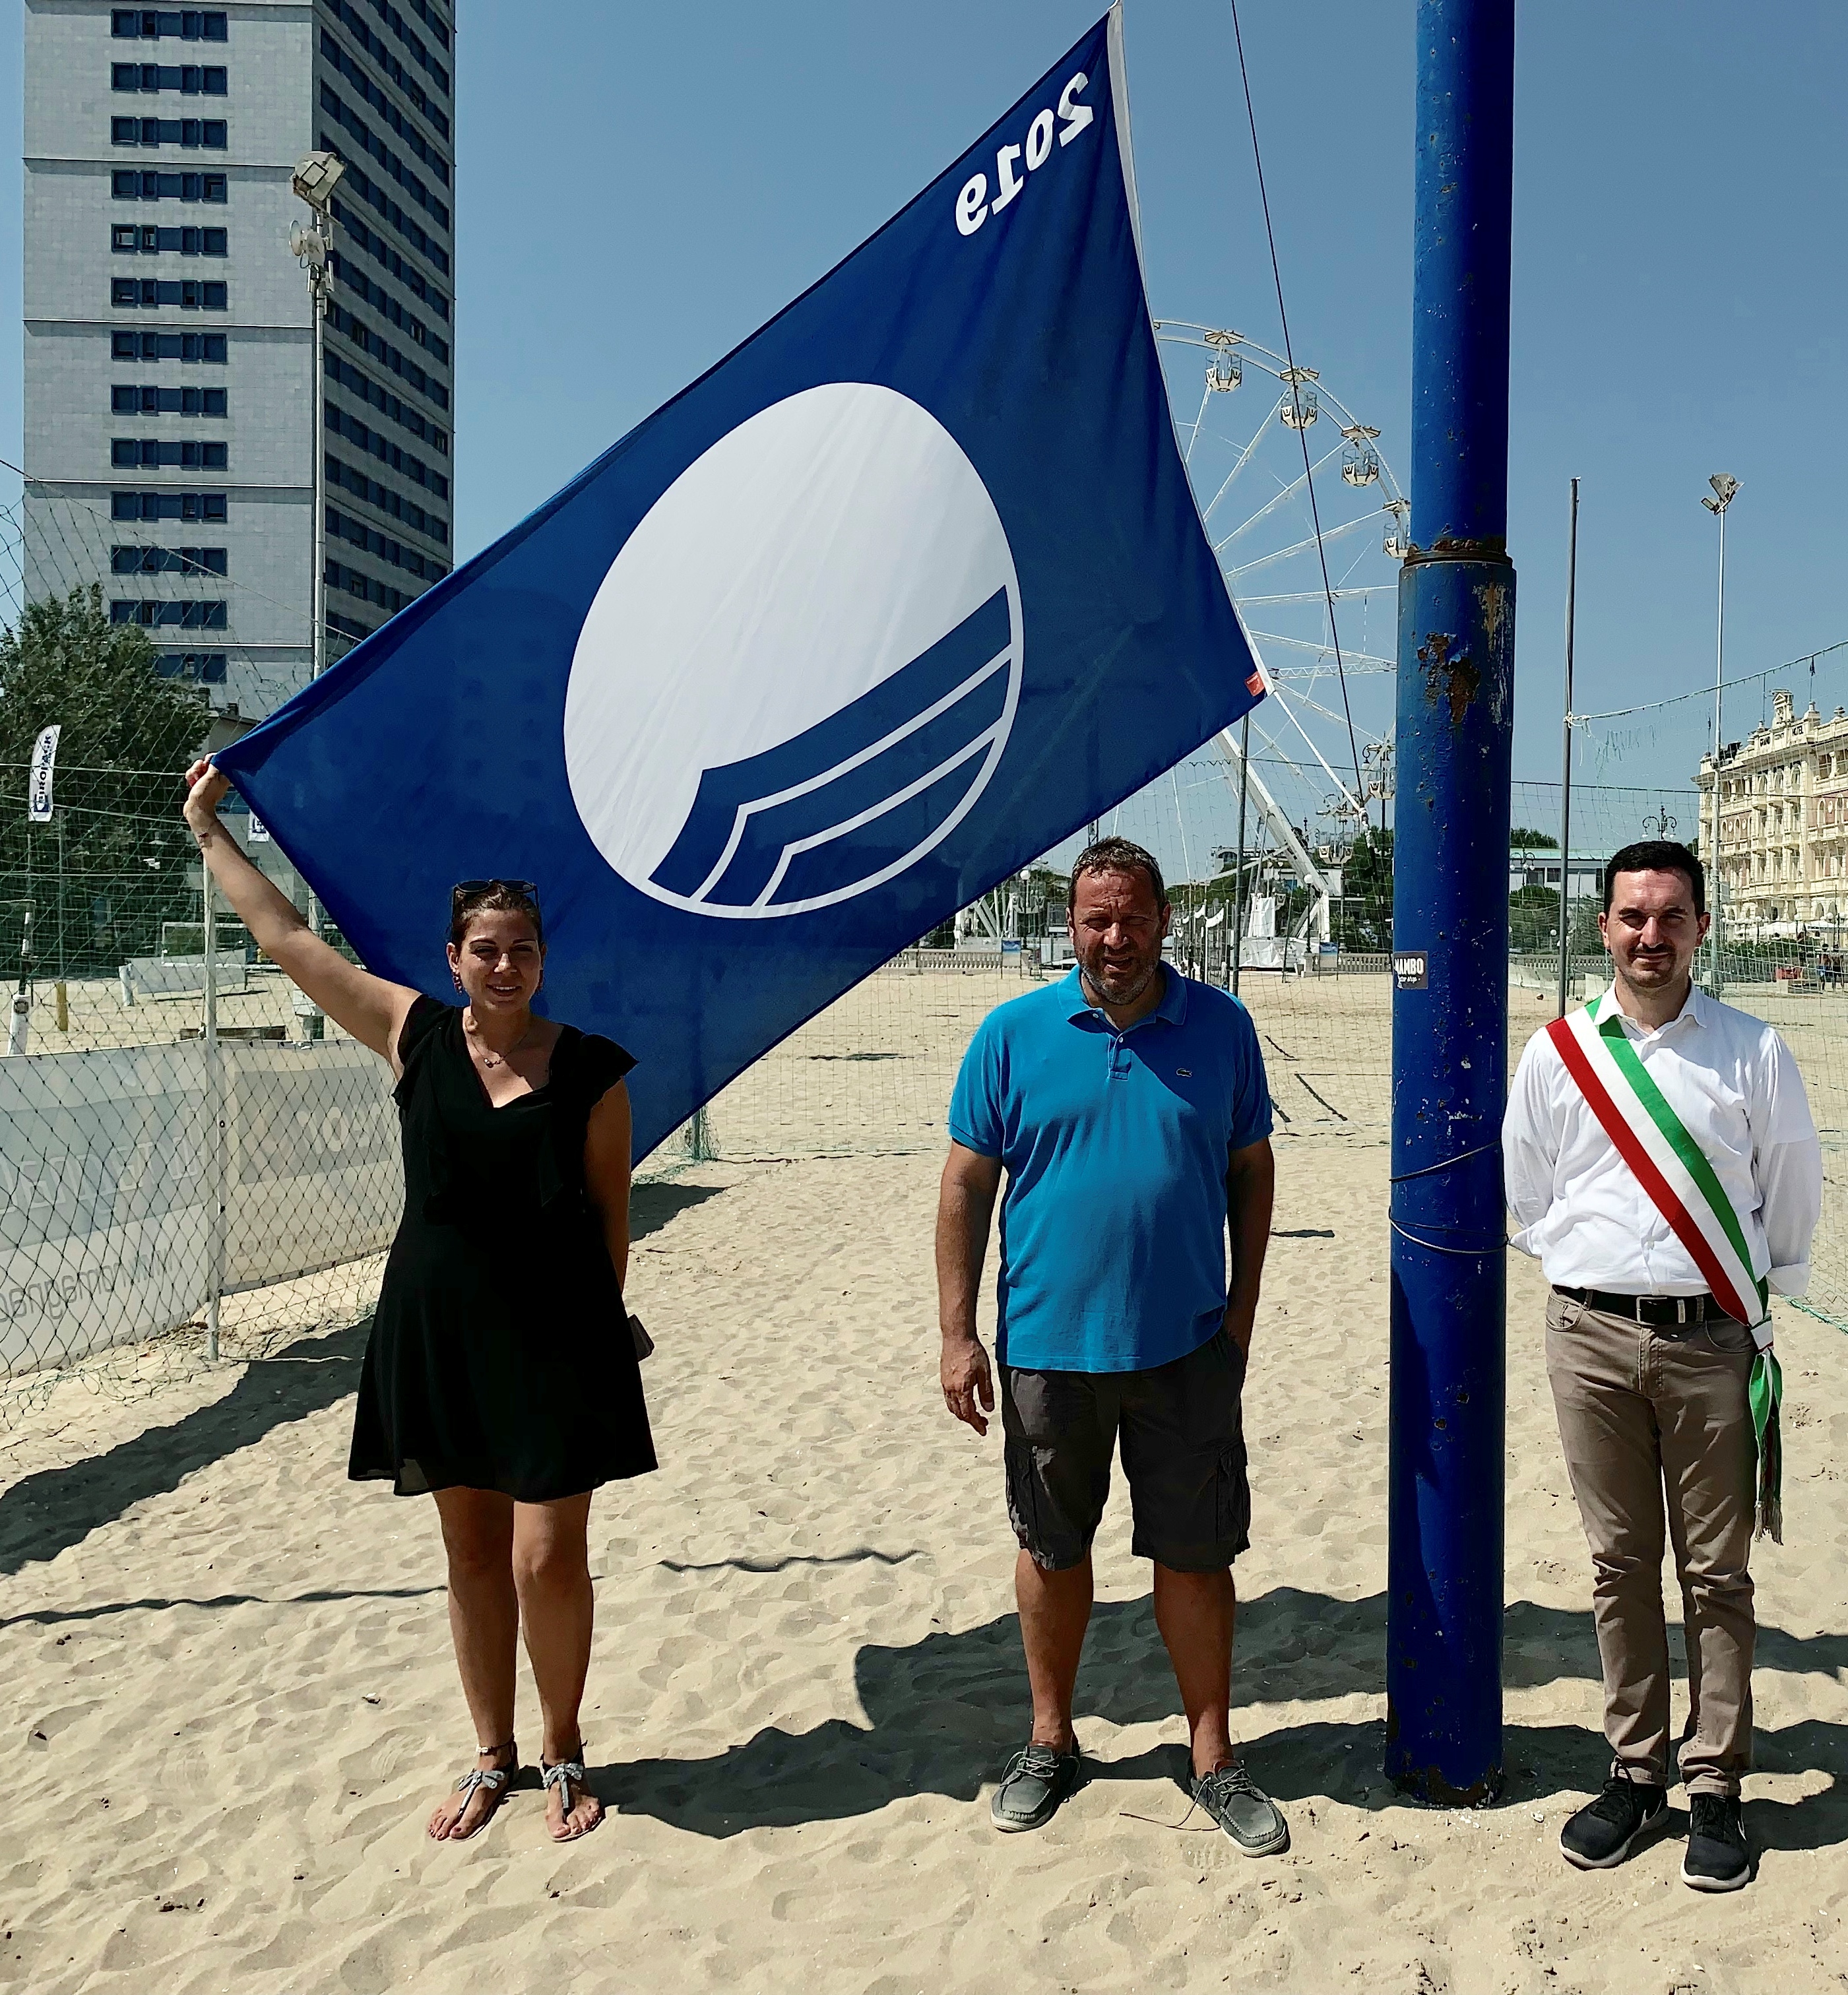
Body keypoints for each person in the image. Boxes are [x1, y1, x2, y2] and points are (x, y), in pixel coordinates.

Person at [182, 760, 657, 1844]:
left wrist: (601, 1326)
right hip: (438, 1334)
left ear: (543, 959)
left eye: (522, 948)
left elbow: (608, 1220)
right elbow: (288, 947)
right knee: (474, 1555)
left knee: (549, 1558)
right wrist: (212, 832)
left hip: (558, 1341)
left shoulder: (590, 1070)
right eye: (483, 949)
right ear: (452, 961)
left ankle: (564, 1746)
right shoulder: (413, 1036)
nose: (504, 964)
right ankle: (492, 1755)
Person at [935, 836, 1286, 1853]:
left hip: (1184, 1349)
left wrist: (1242, 1313)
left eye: (1133, 917)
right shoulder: (1012, 1034)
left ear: (1164, 919)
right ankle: (1050, 1740)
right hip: (1047, 1346)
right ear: (1071, 924)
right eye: (1097, 919)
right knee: (1051, 1550)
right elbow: (965, 1185)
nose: (1116, 937)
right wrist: (958, 1335)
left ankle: (1211, 1755)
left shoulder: (1220, 1027)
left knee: (1196, 1554)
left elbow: (1250, 1171)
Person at [1504, 839, 1820, 1893]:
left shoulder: (1751, 1051)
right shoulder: (1555, 1054)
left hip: (1710, 1340)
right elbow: (1529, 1195)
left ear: (1699, 927)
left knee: (1718, 1573)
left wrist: (1718, 1290)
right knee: (1616, 1565)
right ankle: (1635, 1772)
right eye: (1631, 916)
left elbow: (1789, 1197)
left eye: (1670, 916)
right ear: (1602, 928)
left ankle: (1716, 1783)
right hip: (1587, 1339)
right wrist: (1600, 1269)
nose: (1650, 935)